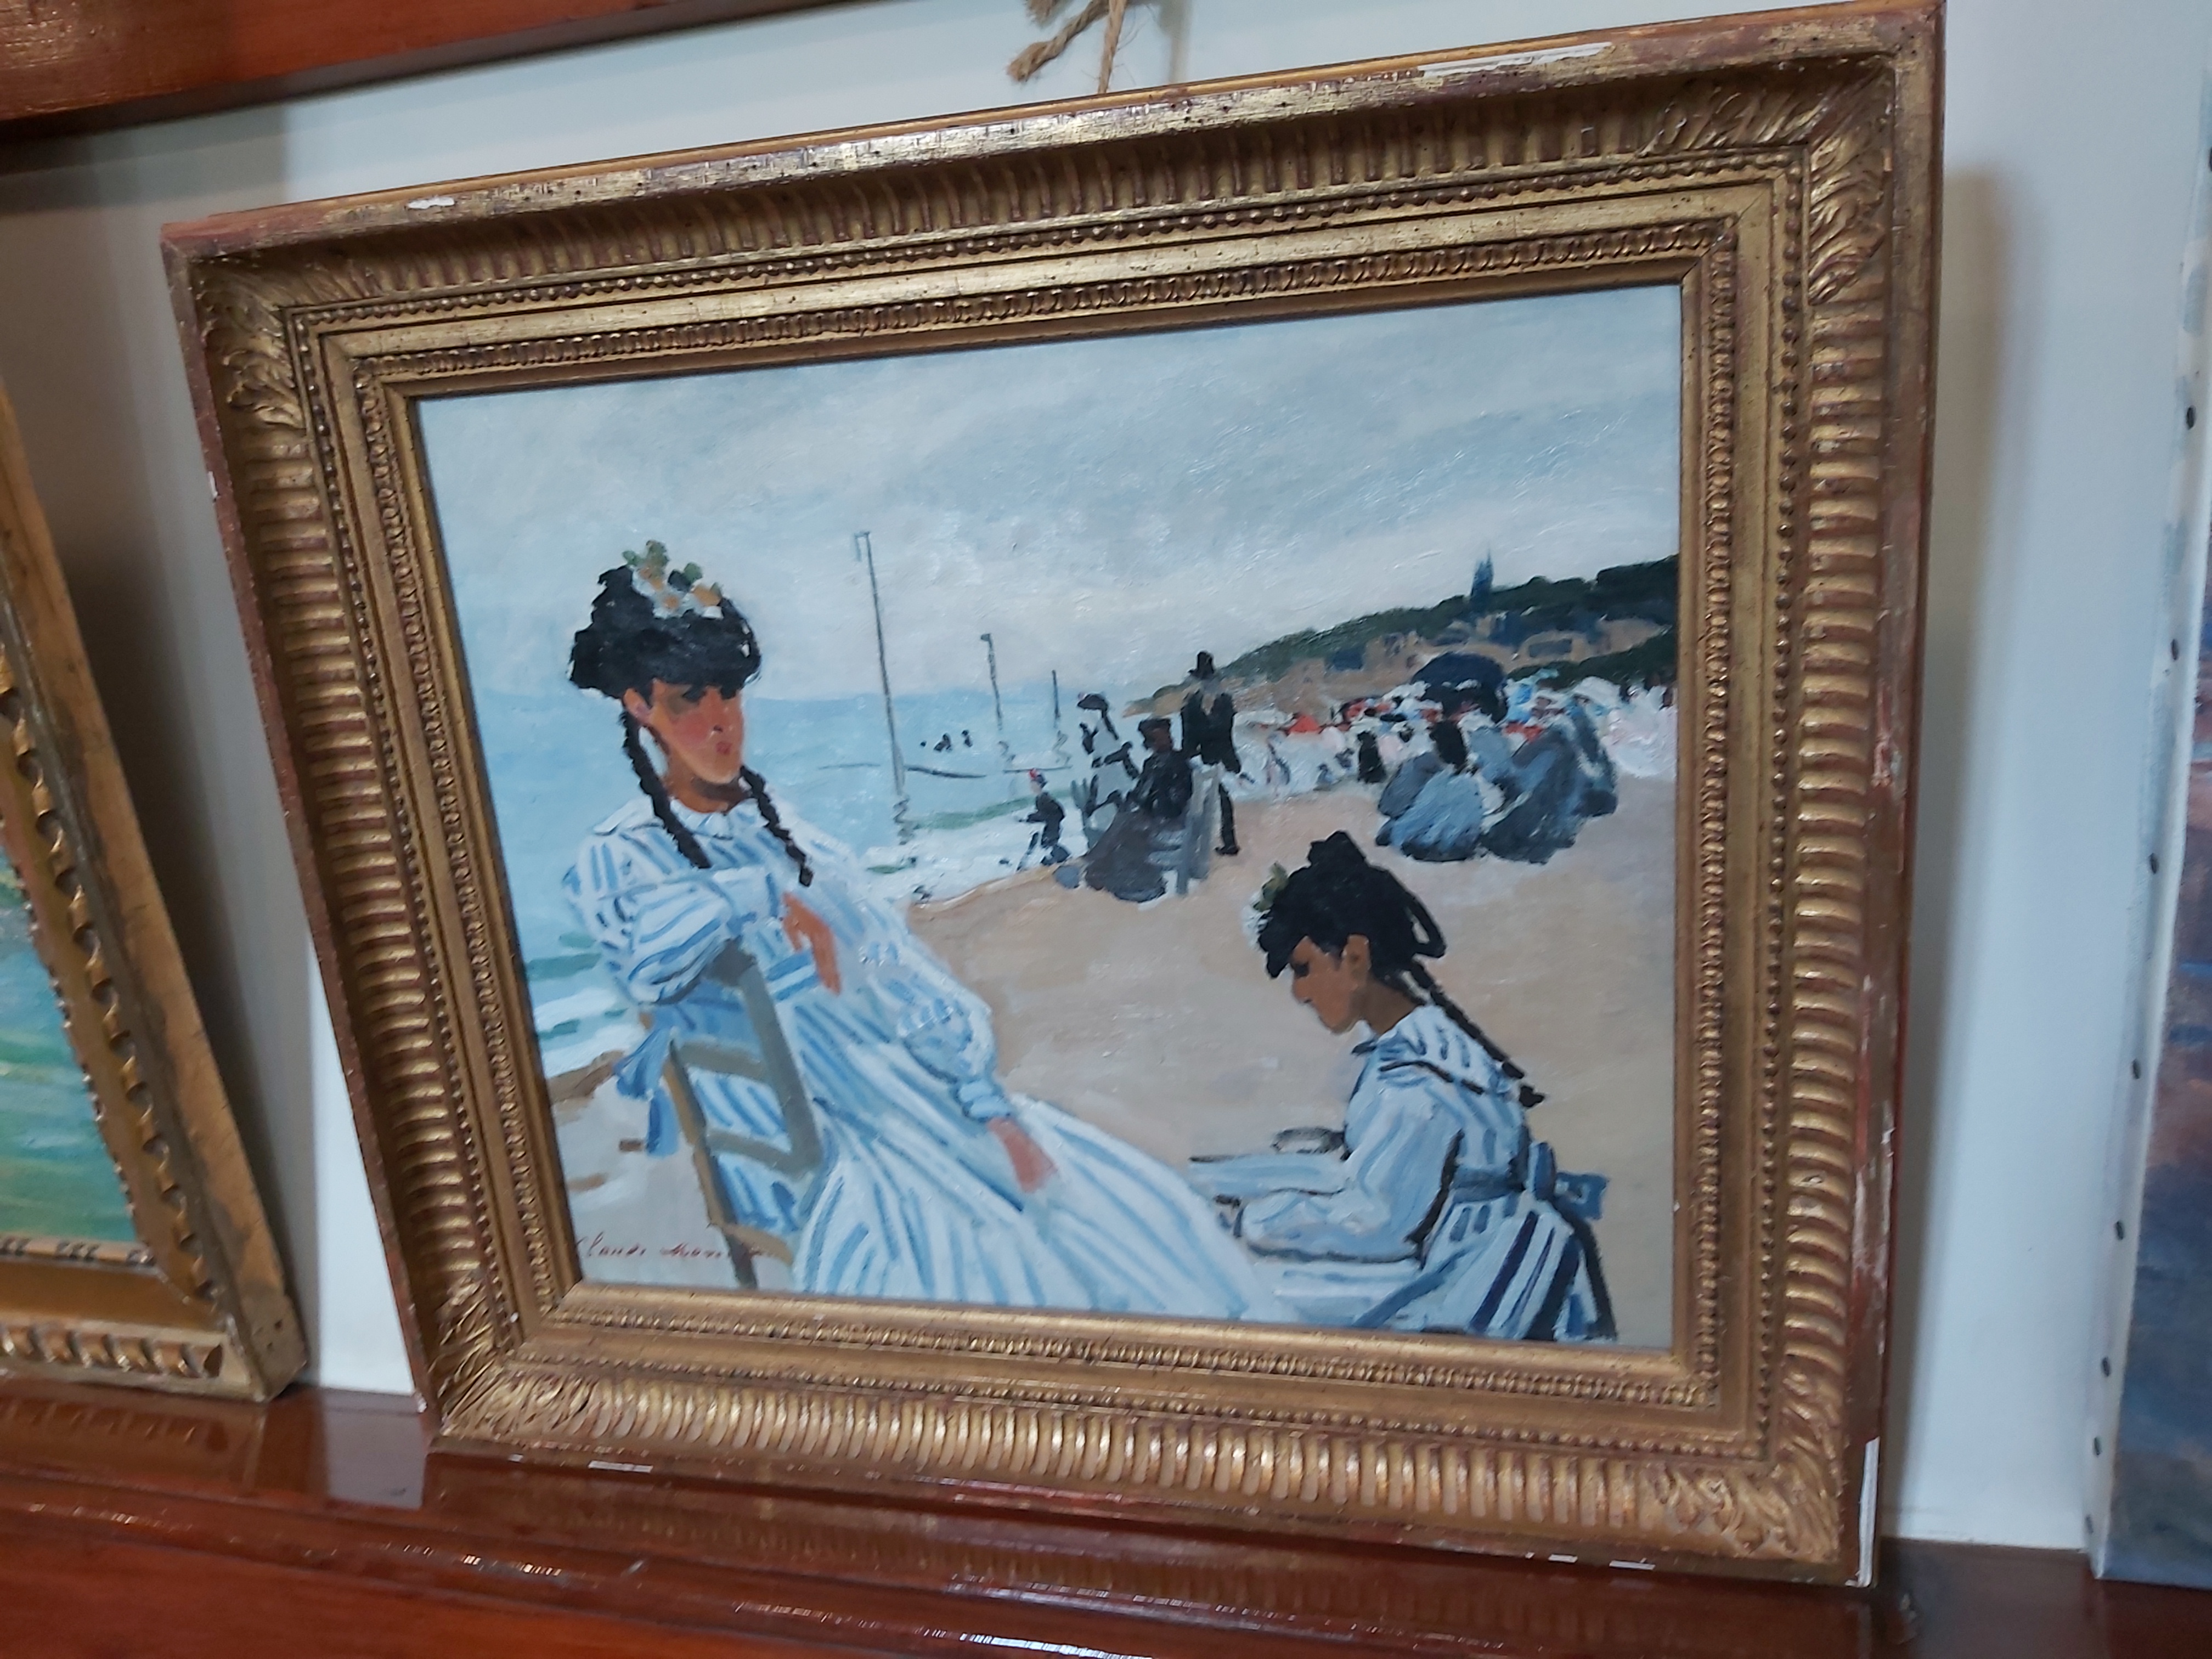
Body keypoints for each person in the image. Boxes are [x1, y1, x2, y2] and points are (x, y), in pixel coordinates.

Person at [563, 545, 1282, 1319]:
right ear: (639, 705)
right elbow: (647, 960)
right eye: (687, 700)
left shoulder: (791, 834)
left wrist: (983, 1099)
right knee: (990, 1243)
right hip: (801, 1129)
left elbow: (893, 966)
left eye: (729, 693)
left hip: (885, 1087)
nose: (718, 722)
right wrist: (761, 893)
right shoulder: (623, 853)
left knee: (1099, 1206)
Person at [1189, 833, 1614, 1340]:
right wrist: (1213, 1181)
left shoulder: (1417, 1080)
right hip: (1463, 1256)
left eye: (1303, 969)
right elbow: (1369, 1176)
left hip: (1462, 1283)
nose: (1300, 993)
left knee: (1227, 1291)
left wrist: (1245, 1221)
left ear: (1355, 957)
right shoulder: (1428, 1044)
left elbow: (1378, 1221)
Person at [1079, 716, 1192, 902]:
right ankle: (1097, 867)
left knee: (1127, 827)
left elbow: (1177, 801)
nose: (1163, 741)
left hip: (1171, 820)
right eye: (1155, 739)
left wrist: (1154, 801)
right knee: (1124, 819)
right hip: (1154, 816)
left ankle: (1098, 866)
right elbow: (1140, 793)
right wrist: (1130, 802)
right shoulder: (1151, 763)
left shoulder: (1179, 762)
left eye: (1164, 736)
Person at [1375, 719, 1500, 863]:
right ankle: (1425, 840)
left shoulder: (1454, 780)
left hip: (1453, 827)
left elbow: (1423, 809)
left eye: (1436, 746)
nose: (1435, 750)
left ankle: (1426, 841)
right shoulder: (1448, 776)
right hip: (1457, 824)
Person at [1178, 651, 1242, 856]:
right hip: (1212, 759)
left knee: (1219, 801)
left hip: (1218, 760)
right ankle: (1223, 843)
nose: (1209, 684)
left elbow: (1216, 730)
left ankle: (1225, 843)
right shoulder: (1196, 704)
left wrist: (1189, 753)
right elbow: (1191, 736)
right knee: (1215, 801)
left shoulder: (1216, 703)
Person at [1022, 770, 1068, 867]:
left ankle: (1062, 860)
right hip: (1049, 826)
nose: (1032, 787)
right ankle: (1058, 860)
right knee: (1046, 844)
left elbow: (1058, 812)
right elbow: (1043, 813)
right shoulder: (1040, 798)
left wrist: (1036, 817)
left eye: (1034, 784)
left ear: (1039, 785)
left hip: (1052, 827)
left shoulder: (1045, 798)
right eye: (1031, 785)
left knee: (1049, 843)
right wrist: (1033, 818)